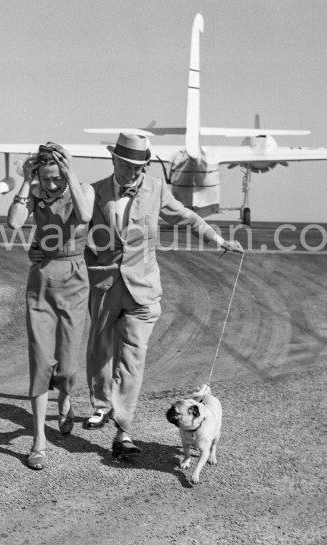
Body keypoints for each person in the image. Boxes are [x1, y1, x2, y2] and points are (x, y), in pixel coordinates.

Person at [83, 132, 243, 458]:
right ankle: (101, 404)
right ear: (114, 160)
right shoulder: (95, 191)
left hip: (142, 290)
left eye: (139, 166)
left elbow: (185, 216)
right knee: (99, 350)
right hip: (105, 285)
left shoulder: (156, 188)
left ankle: (123, 430)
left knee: (132, 360)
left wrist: (218, 239)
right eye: (127, 165)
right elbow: (73, 230)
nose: (133, 172)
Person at [8, 142, 94, 470]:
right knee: (41, 363)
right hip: (41, 280)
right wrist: (25, 182)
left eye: (56, 177)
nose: (52, 184)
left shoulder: (81, 189)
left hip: (74, 278)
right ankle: (39, 441)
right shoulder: (35, 191)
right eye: (45, 178)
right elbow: (15, 222)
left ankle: (66, 398)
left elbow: (85, 215)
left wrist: (69, 172)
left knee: (68, 368)